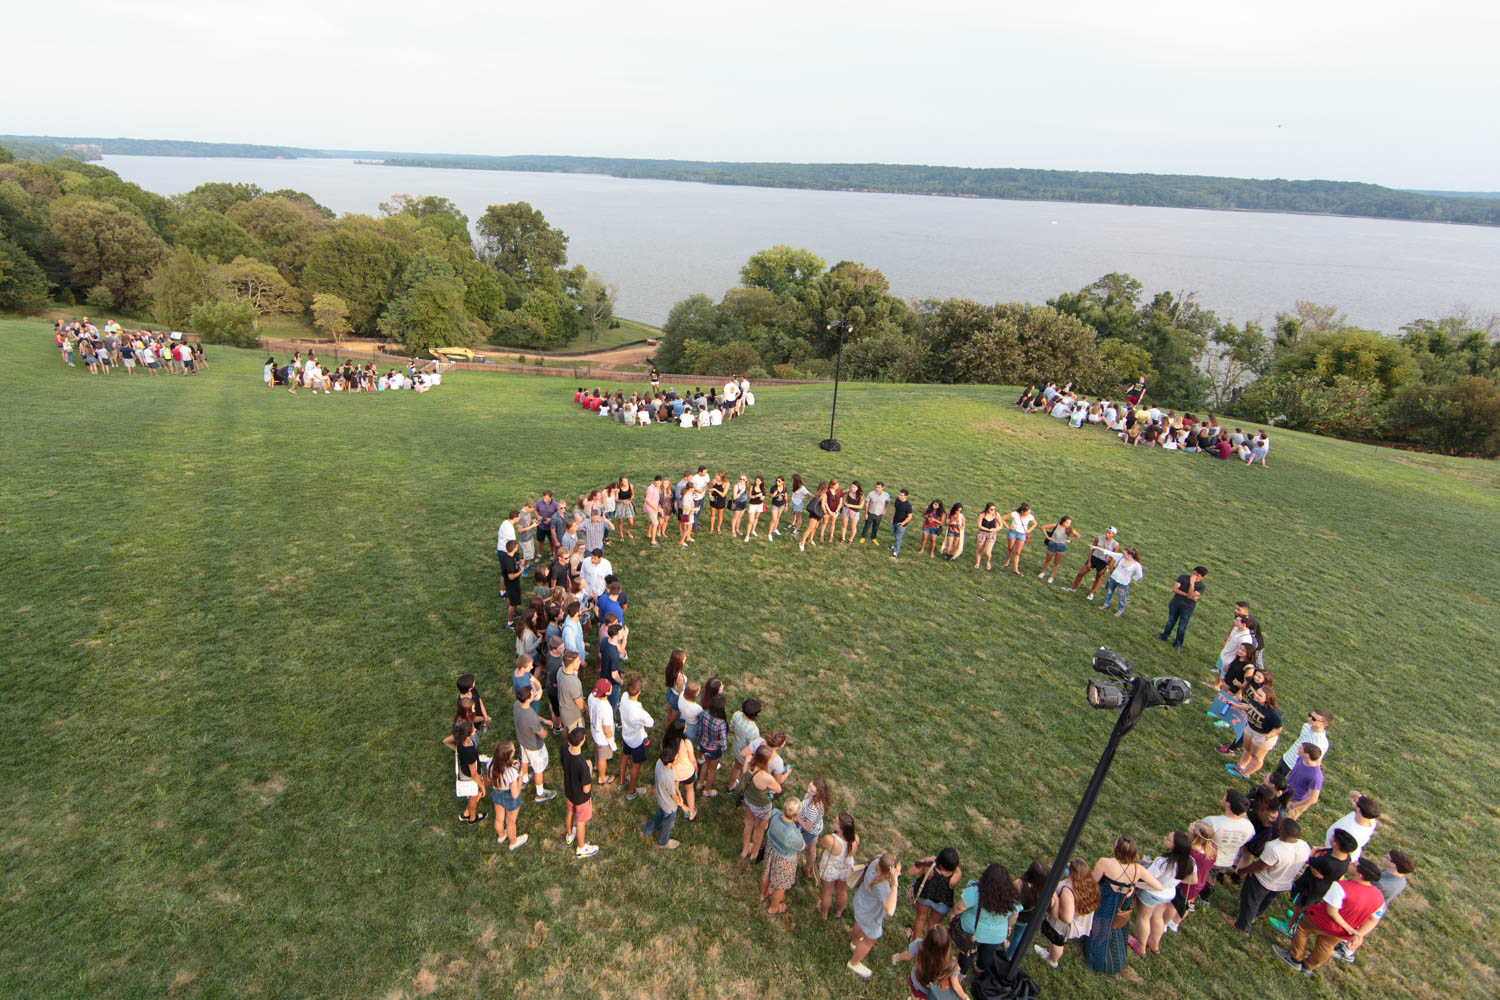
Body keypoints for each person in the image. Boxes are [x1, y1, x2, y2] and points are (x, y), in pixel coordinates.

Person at [1275, 858, 1385, 976]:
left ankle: (1295, 959)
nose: (1350, 863)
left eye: (1354, 865)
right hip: (1341, 932)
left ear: (1360, 875)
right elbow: (1373, 919)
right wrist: (1358, 934)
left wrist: (1349, 928)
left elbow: (1332, 912)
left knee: (1302, 929)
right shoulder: (1379, 897)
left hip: (1321, 921)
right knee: (1326, 946)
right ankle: (1308, 966)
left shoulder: (1341, 887)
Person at [1085, 835, 1163, 974]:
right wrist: (1135, 885)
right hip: (1123, 902)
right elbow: (1158, 886)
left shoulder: (1104, 862)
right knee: (1115, 926)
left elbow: (1094, 881)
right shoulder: (1138, 869)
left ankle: (1095, 955)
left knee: (1099, 924)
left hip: (1105, 899)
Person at [1228, 819, 1309, 936]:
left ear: (1281, 829)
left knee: (1251, 901)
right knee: (1266, 901)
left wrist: (1243, 871)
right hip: (1283, 883)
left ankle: (1242, 927)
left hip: (1264, 881)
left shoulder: (1274, 847)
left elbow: (1260, 866)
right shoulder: (1304, 845)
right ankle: (1253, 916)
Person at [1271, 827, 1356, 938]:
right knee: (1304, 908)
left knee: (1300, 908)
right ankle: (1296, 918)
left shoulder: (1327, 862)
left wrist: (1314, 852)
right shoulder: (1346, 858)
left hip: (1310, 888)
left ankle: (1290, 927)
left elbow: (1308, 859)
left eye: (1333, 837)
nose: (1330, 837)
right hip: (1321, 889)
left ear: (1336, 844)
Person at [1128, 832, 1195, 956]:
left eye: (1168, 839)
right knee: (1158, 917)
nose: (1165, 838)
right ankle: (1154, 944)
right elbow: (1193, 879)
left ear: (1175, 847)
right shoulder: (1190, 861)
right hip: (1168, 894)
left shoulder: (1162, 862)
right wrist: (1172, 882)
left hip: (1151, 893)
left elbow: (1148, 877)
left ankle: (1140, 947)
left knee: (1144, 917)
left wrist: (1143, 868)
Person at [951, 863, 1021, 977]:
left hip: (972, 932)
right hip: (995, 935)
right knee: (987, 954)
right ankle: (979, 969)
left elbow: (959, 907)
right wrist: (1009, 926)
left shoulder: (976, 892)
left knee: (967, 953)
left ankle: (961, 974)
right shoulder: (1012, 897)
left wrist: (953, 915)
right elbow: (1014, 916)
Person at [1035, 857, 1100, 969]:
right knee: (1059, 940)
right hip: (1078, 918)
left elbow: (1066, 918)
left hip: (1061, 924)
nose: (1067, 869)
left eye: (1069, 868)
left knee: (1056, 941)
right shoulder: (1089, 883)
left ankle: (1052, 960)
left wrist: (1054, 904)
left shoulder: (1068, 891)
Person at [848, 854, 902, 979]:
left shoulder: (876, 862)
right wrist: (895, 883)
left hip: (861, 905)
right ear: (890, 872)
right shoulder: (882, 886)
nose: (899, 871)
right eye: (898, 870)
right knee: (869, 940)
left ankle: (854, 943)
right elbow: (890, 910)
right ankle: (853, 963)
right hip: (870, 916)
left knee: (859, 923)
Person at [892, 925, 971, 1000]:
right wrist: (965, 998)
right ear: (947, 945)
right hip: (934, 992)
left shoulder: (919, 945)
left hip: (917, 982)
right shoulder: (952, 964)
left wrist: (897, 957)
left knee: (915, 996)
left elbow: (907, 956)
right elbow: (956, 986)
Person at [739, 744, 783, 861]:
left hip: (749, 800)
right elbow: (778, 789)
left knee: (748, 824)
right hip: (761, 807)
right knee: (759, 830)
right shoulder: (766, 777)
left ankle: (744, 850)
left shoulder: (748, 760)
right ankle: (754, 854)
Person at [639, 742, 686, 851]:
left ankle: (647, 829)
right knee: (668, 825)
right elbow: (674, 796)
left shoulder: (660, 762)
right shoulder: (667, 778)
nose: (678, 759)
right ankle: (663, 842)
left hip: (662, 800)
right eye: (676, 759)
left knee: (660, 815)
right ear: (670, 762)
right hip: (669, 806)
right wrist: (683, 805)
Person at [1230, 683, 1283, 779]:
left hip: (1263, 736)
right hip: (1251, 728)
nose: (1256, 695)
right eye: (1257, 693)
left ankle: (1245, 773)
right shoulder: (1254, 701)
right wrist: (1236, 705)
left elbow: (1278, 728)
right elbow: (1249, 707)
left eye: (1260, 695)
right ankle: (1241, 766)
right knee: (1247, 749)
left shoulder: (1273, 713)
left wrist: (1269, 735)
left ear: (1267, 699)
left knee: (1257, 757)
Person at [1270, 710, 1331, 791]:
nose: (1309, 719)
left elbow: (1316, 761)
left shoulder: (1320, 742)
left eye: (1313, 719)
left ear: (1324, 724)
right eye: (1310, 715)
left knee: (1281, 789)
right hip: (1286, 758)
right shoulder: (1306, 726)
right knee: (1272, 782)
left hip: (1293, 767)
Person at [909, 848, 962, 941]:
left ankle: (915, 941)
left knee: (920, 918)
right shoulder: (955, 877)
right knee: (933, 925)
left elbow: (910, 872)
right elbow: (957, 869)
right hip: (942, 904)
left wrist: (925, 860)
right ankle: (928, 945)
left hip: (925, 896)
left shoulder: (928, 867)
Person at [561, 725, 599, 857]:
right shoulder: (582, 764)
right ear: (582, 741)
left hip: (569, 791)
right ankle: (581, 848)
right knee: (581, 822)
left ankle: (569, 836)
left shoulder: (564, 749)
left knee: (570, 812)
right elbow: (586, 788)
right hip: (581, 798)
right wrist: (589, 769)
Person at [761, 798, 804, 914]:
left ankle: (763, 894)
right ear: (796, 815)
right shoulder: (794, 834)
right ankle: (773, 908)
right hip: (784, 859)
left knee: (766, 872)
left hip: (770, 850)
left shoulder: (775, 813)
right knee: (780, 886)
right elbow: (801, 846)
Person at [817, 811, 860, 919]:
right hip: (846, 868)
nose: (833, 821)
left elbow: (821, 847)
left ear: (841, 829)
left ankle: (824, 913)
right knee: (842, 891)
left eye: (836, 822)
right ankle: (839, 911)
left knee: (827, 892)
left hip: (830, 869)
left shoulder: (830, 839)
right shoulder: (855, 839)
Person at [619, 676, 654, 800]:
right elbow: (651, 722)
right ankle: (631, 791)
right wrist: (642, 708)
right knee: (636, 765)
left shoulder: (624, 697)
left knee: (625, 756)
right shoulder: (639, 712)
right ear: (639, 691)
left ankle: (622, 781)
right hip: (637, 741)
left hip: (626, 735)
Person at [487, 742, 527, 850]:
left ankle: (501, 836)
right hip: (509, 797)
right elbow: (515, 794)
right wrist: (520, 778)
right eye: (513, 750)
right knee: (510, 823)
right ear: (508, 755)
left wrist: (510, 762)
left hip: (497, 793)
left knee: (499, 819)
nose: (514, 751)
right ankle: (513, 842)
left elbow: (490, 778)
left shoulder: (491, 762)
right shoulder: (511, 773)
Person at [444, 720, 486, 824]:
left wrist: (457, 750)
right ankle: (472, 818)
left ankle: (467, 813)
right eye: (473, 729)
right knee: (473, 799)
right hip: (470, 776)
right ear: (467, 734)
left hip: (464, 769)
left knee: (475, 795)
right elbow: (474, 774)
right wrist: (482, 786)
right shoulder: (469, 752)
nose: (475, 729)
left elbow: (445, 741)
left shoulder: (459, 738)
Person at [1324, 791, 1381, 864]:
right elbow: (1352, 793)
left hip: (1333, 854)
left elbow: (1342, 854)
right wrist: (1360, 797)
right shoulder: (1370, 819)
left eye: (1356, 803)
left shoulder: (1351, 832)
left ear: (1359, 809)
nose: (1354, 803)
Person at [1067, 527, 1119, 600]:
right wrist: (1089, 561)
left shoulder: (1115, 544)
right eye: (1107, 532)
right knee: (1081, 573)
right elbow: (1092, 549)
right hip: (1094, 558)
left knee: (1098, 578)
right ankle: (1073, 588)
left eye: (1109, 533)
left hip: (1103, 562)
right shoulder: (1098, 538)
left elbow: (1113, 556)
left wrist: (1107, 567)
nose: (1107, 534)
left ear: (1113, 534)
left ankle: (1091, 593)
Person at [798, 778, 832, 878]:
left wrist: (797, 817)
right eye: (809, 787)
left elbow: (807, 827)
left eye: (812, 791)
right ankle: (807, 868)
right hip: (817, 827)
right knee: (812, 848)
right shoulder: (815, 799)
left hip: (810, 830)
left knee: (797, 850)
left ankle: (791, 869)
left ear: (818, 793)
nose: (808, 790)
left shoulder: (812, 808)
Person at [1281, 743, 1325, 820]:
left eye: (1301, 748)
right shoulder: (1301, 759)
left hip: (1295, 801)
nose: (1298, 748)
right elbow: (1292, 771)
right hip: (1286, 792)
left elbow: (1313, 798)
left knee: (1283, 821)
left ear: (1307, 755)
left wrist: (1294, 805)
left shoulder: (1316, 776)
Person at [587, 679, 616, 788]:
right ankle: (602, 777)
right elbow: (607, 729)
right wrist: (611, 742)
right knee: (603, 757)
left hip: (594, 729)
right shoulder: (606, 708)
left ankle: (596, 764)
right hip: (603, 737)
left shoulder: (591, 696)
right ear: (607, 692)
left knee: (597, 747)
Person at [1101, 547, 1143, 616]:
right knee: (1109, 592)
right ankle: (1106, 604)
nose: (1123, 554)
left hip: (1123, 583)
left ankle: (1120, 610)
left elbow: (1140, 575)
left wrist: (1132, 579)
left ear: (1130, 555)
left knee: (1121, 597)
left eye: (1124, 553)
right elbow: (1110, 553)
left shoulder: (1136, 565)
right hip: (1113, 578)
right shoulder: (1121, 557)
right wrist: (1096, 547)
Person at [1037, 516, 1080, 583]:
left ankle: (1051, 577)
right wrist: (1048, 537)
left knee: (1056, 563)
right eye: (1067, 523)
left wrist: (1069, 540)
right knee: (1047, 560)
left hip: (1062, 547)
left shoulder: (1069, 529)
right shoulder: (1056, 525)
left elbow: (1077, 536)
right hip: (1052, 544)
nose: (1068, 524)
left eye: (1069, 523)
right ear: (1063, 522)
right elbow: (1043, 527)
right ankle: (1043, 572)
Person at [1001, 503, 1037, 575]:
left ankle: (1015, 569)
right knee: (1010, 548)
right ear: (1022, 511)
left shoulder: (1030, 516)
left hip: (1022, 534)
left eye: (1029, 512)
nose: (1029, 513)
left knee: (1017, 552)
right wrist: (1008, 527)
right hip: (1013, 533)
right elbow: (1002, 518)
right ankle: (1007, 562)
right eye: (1027, 512)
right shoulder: (1015, 514)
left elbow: (1035, 523)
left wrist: (1029, 530)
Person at [797, 483, 827, 552]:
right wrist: (825, 513)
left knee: (815, 527)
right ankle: (802, 542)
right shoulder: (824, 495)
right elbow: (823, 506)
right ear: (825, 488)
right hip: (817, 513)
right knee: (810, 528)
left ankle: (811, 539)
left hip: (816, 512)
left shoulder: (817, 493)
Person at [973, 503, 1001, 570]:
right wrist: (987, 529)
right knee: (979, 549)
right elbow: (979, 525)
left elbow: (1000, 524)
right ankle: (977, 563)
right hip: (982, 533)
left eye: (994, 509)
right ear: (987, 509)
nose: (993, 510)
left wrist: (995, 529)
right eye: (991, 509)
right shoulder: (982, 515)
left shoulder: (996, 515)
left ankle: (988, 562)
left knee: (987, 552)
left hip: (992, 534)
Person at [890, 489, 914, 559]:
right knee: (896, 535)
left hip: (902, 525)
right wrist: (892, 519)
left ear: (906, 496)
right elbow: (894, 509)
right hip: (895, 522)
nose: (899, 496)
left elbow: (910, 517)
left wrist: (902, 523)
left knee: (898, 537)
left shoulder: (908, 505)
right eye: (899, 494)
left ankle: (896, 552)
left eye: (901, 495)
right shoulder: (897, 500)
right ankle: (895, 546)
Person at [743, 475, 766, 541]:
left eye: (759, 481)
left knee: (756, 518)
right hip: (752, 505)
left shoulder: (762, 487)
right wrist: (757, 495)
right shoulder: (752, 486)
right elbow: (750, 496)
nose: (757, 482)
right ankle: (747, 536)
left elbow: (764, 495)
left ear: (761, 482)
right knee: (750, 521)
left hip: (760, 505)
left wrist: (762, 497)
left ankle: (753, 530)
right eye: (756, 480)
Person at [766, 475, 788, 540]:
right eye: (776, 481)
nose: (777, 482)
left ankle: (775, 529)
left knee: (778, 518)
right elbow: (770, 496)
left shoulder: (784, 487)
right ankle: (769, 534)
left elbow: (786, 496)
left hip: (782, 505)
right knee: (774, 519)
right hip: (774, 505)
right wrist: (773, 495)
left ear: (782, 482)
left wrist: (786, 505)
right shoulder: (773, 487)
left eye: (779, 481)